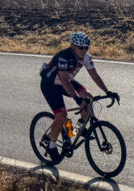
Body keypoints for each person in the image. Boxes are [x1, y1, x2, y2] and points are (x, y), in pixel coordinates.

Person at [38, 32, 118, 161]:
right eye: (81, 48)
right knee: (62, 115)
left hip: (66, 81)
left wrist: (108, 92)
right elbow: (64, 80)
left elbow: (95, 75)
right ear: (72, 46)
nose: (84, 50)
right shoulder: (63, 57)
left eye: (86, 47)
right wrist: (76, 98)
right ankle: (51, 145)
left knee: (89, 98)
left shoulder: (86, 57)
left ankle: (79, 128)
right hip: (50, 85)